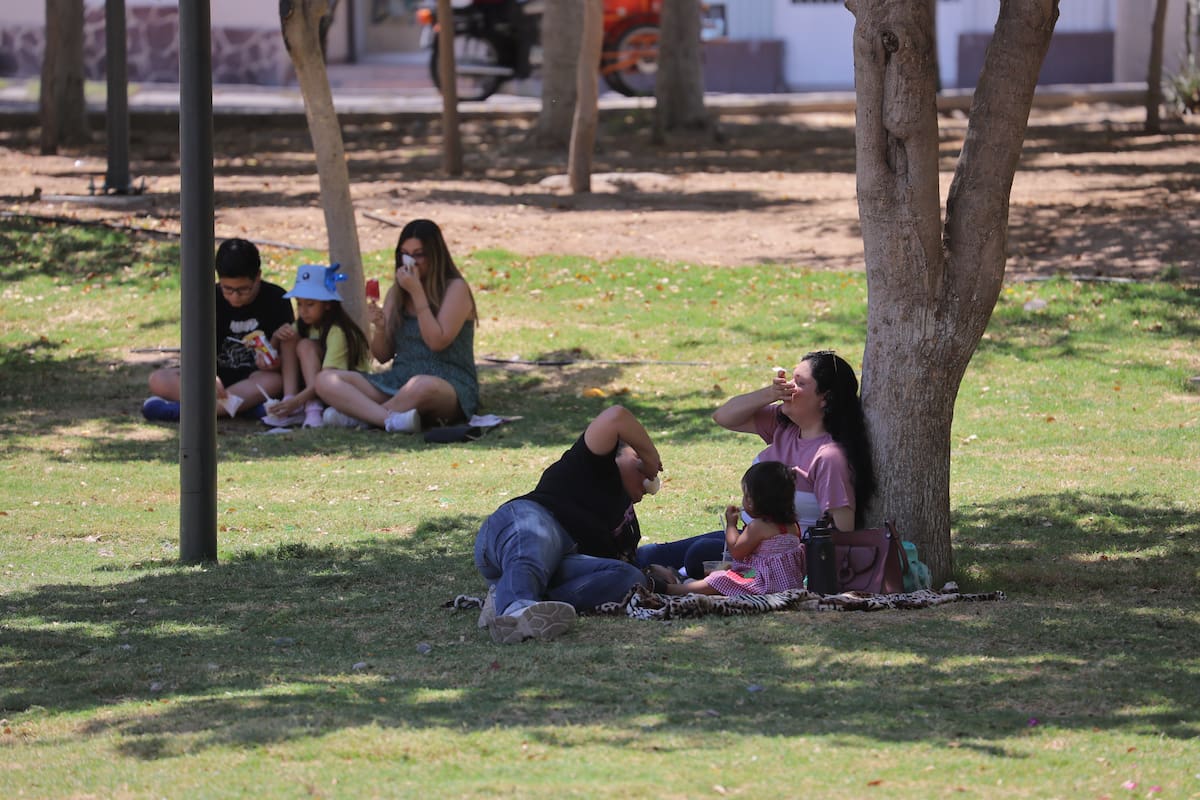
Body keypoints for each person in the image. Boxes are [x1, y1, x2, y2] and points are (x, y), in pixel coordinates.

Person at [638, 350, 875, 579]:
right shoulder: (784, 426)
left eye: (799, 383)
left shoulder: (829, 457)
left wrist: (790, 565)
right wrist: (770, 393)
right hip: (745, 540)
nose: (788, 388)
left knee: (697, 554)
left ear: (825, 398)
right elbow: (724, 416)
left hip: (777, 558)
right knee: (647, 555)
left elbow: (843, 533)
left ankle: (676, 578)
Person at [473, 405, 663, 644]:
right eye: (636, 459)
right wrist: (650, 458)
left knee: (629, 578)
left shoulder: (625, 522)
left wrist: (670, 582)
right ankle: (515, 607)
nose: (649, 481)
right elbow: (615, 416)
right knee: (539, 536)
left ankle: (515, 602)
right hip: (521, 526)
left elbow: (607, 575)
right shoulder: (591, 465)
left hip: (560, 562)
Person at [315, 219, 479, 434]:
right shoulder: (397, 292)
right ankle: (388, 419)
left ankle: (361, 417)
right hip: (398, 382)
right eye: (405, 253)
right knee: (326, 379)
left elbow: (437, 342)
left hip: (446, 383)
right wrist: (380, 328)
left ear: (435, 255)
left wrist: (418, 293)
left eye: (419, 254)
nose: (411, 261)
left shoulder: (455, 288)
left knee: (421, 385)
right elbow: (382, 356)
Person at [142, 238, 294, 421]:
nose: (235, 297)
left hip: (255, 379)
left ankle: (183, 412)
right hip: (213, 380)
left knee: (274, 382)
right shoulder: (209, 298)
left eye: (243, 290)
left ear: (258, 276)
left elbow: (285, 354)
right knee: (158, 379)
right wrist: (208, 375)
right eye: (227, 289)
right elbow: (196, 349)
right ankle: (242, 408)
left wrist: (273, 362)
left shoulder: (276, 298)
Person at [659, 461, 806, 597]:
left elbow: (736, 551)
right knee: (728, 569)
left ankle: (675, 590)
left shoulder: (758, 526)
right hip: (788, 583)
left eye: (746, 495)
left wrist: (731, 525)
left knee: (722, 579)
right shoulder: (792, 526)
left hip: (764, 583)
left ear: (754, 501)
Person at [261, 263, 371, 429]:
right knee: (289, 337)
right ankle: (289, 400)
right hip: (313, 390)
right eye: (299, 304)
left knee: (305, 346)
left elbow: (327, 380)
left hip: (342, 390)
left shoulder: (337, 331)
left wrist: (299, 400)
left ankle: (312, 408)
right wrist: (276, 338)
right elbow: (277, 351)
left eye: (310, 304)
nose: (303, 311)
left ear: (327, 304)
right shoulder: (303, 325)